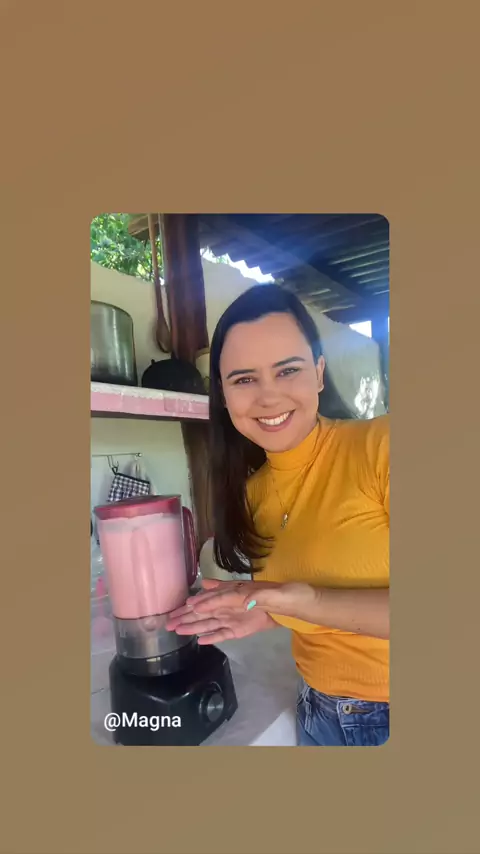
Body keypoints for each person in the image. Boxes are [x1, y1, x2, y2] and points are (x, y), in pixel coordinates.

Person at [166, 284, 389, 746]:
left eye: (287, 370)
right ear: (223, 395)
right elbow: (313, 603)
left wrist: (303, 601)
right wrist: (270, 615)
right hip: (315, 710)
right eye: (244, 379)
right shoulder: (252, 494)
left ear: (319, 373)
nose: (268, 397)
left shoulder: (383, 447)